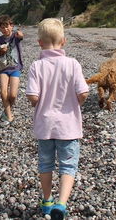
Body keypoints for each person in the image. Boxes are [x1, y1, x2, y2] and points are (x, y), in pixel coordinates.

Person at [25, 18, 89, 219]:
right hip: (68, 126)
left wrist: (39, 103)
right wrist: (76, 103)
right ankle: (61, 204)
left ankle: (46, 201)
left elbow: (33, 97)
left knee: (45, 164)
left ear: (39, 43)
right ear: (64, 41)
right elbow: (84, 92)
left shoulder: (37, 66)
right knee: (68, 165)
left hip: (45, 126)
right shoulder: (73, 64)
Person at [0, 15, 23, 124]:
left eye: (7, 26)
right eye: (2, 27)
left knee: (13, 95)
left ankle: (7, 110)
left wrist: (20, 35)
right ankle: (9, 115)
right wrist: (2, 51)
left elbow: (21, 37)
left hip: (15, 68)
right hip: (3, 68)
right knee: (3, 92)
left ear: (12, 26)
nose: (5, 29)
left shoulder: (15, 36)